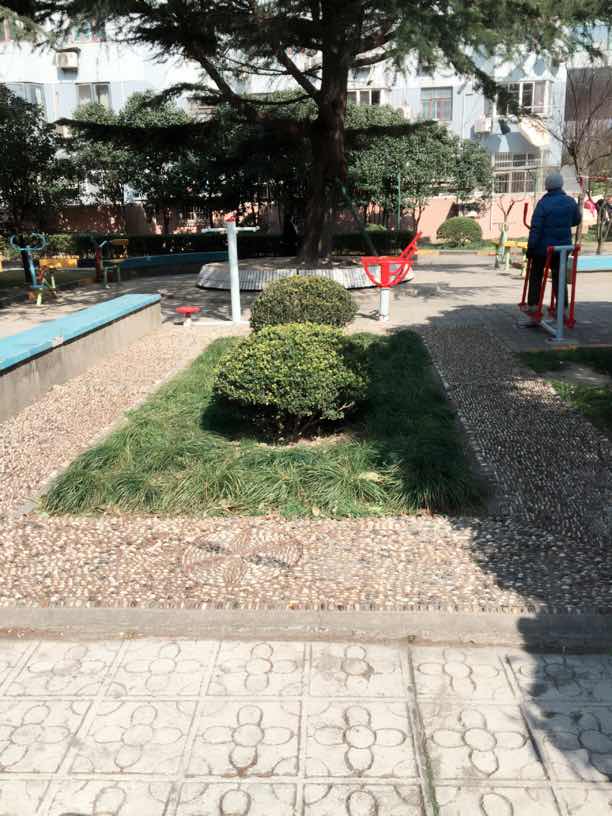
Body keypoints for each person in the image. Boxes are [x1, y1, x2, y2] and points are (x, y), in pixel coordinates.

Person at [525, 172, 581, 326]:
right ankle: (562, 309)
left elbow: (536, 228)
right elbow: (577, 220)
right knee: (559, 276)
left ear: (547, 186)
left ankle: (534, 307)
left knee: (536, 275)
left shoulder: (543, 203)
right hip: (563, 247)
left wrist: (531, 248)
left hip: (543, 249)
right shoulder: (570, 201)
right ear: (561, 185)